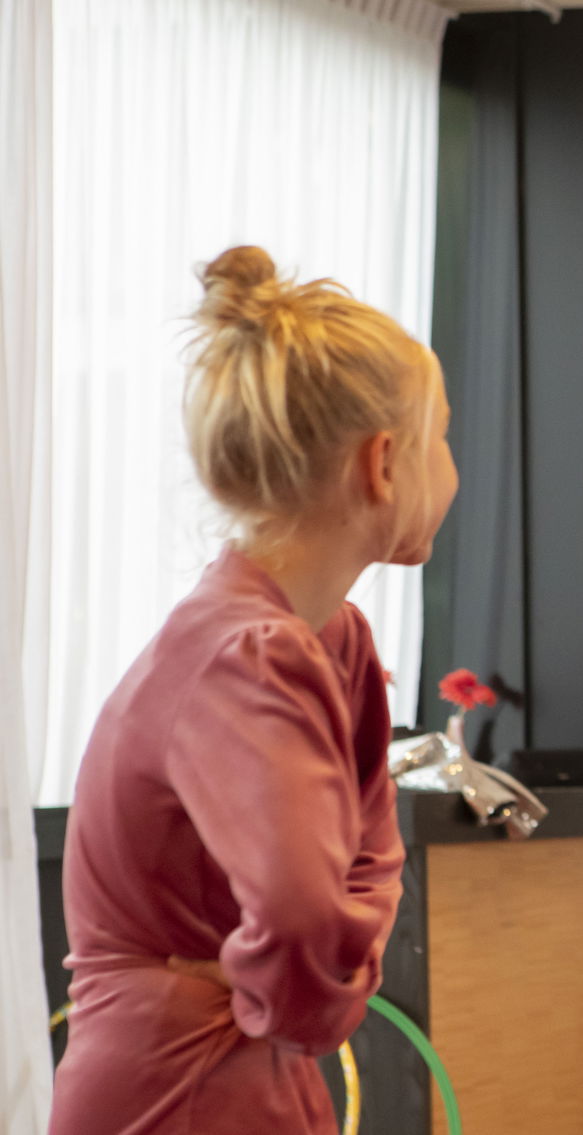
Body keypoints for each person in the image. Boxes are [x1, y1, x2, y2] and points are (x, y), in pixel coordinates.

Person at [49, 246, 458, 1135]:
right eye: (443, 438)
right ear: (384, 463)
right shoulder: (248, 652)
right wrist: (308, 995)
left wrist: (290, 979)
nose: (452, 470)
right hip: (178, 1083)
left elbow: (367, 854)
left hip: (247, 1058)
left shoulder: (327, 636)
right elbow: (308, 914)